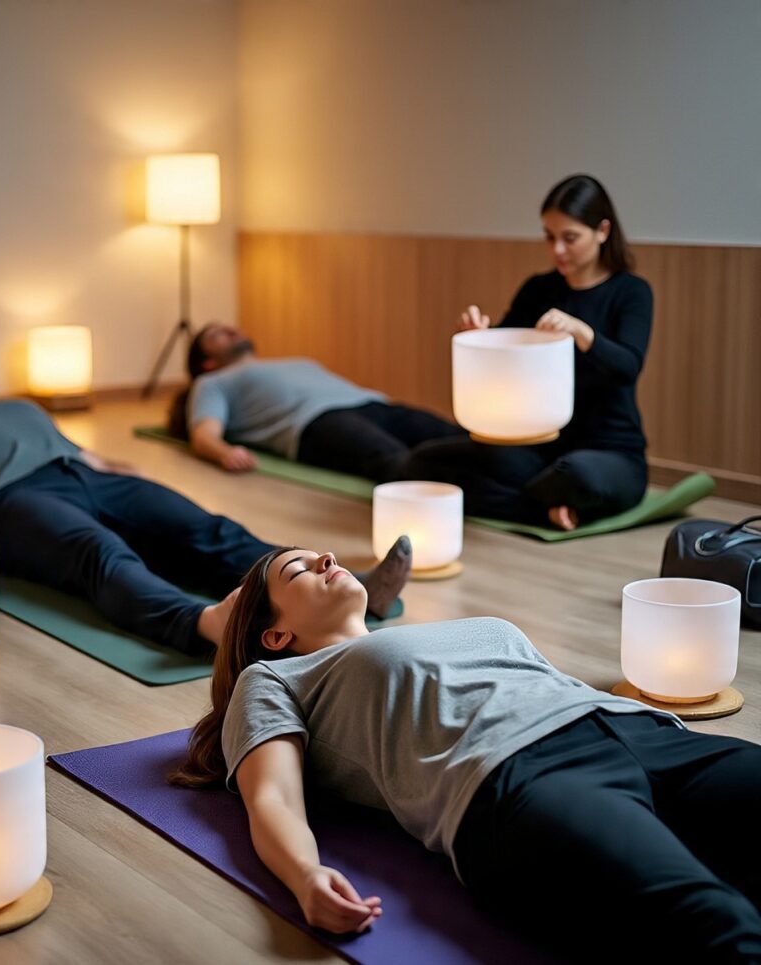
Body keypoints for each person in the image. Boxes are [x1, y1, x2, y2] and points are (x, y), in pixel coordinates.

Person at [172, 547, 761, 961]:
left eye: (323, 554)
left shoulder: (434, 632)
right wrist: (303, 877)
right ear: (274, 635)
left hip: (643, 732)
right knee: (723, 925)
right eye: (299, 567)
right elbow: (271, 794)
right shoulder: (277, 676)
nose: (328, 558)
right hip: (519, 778)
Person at [0, 359, 413, 655]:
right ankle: (202, 624)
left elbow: (91, 456)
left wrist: (147, 485)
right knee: (98, 552)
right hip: (13, 498)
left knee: (202, 527)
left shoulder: (16, 404)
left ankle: (353, 590)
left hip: (83, 474)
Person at [428, 173, 653, 530]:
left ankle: (526, 500)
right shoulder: (538, 288)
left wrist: (582, 331)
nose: (557, 250)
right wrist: (482, 338)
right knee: (427, 463)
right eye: (550, 237)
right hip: (539, 450)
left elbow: (628, 366)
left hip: (609, 454)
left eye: (570, 238)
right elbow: (505, 350)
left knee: (577, 474)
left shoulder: (631, 292)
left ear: (603, 231)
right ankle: (542, 510)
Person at [170, 324, 463, 479]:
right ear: (206, 362)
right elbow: (203, 434)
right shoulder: (211, 383)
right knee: (400, 463)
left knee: (458, 437)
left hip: (371, 403)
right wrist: (225, 453)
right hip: (314, 422)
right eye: (216, 334)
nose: (231, 329)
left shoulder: (285, 362)